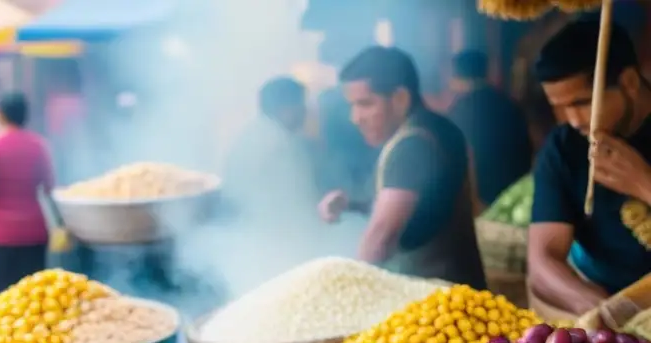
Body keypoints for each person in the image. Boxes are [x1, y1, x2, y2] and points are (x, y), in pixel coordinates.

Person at [319, 46, 486, 289]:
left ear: (400, 98)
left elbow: (381, 237)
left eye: (365, 104)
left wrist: (348, 294)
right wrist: (352, 204)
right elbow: (418, 206)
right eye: (352, 105)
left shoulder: (413, 144)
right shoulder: (437, 126)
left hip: (435, 303)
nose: (355, 117)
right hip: (458, 293)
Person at [529, 19, 651, 314]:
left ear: (630, 82)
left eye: (582, 103)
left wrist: (643, 184)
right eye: (560, 106)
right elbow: (543, 260)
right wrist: (605, 313)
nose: (573, 120)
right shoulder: (565, 147)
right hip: (605, 303)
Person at [0, 92, 55, 299]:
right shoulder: (39, 146)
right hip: (34, 233)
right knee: (31, 302)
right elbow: (49, 186)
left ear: (0, 115)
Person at [223, 76, 317, 235]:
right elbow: (295, 200)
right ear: (285, 109)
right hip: (268, 231)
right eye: (301, 104)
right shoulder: (279, 144)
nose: (306, 111)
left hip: (243, 227)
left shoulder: (252, 132)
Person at [447, 50, 533, 208]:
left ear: (456, 75)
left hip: (481, 200)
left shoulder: (458, 111)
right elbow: (527, 149)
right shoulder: (509, 104)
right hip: (516, 195)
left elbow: (463, 159)